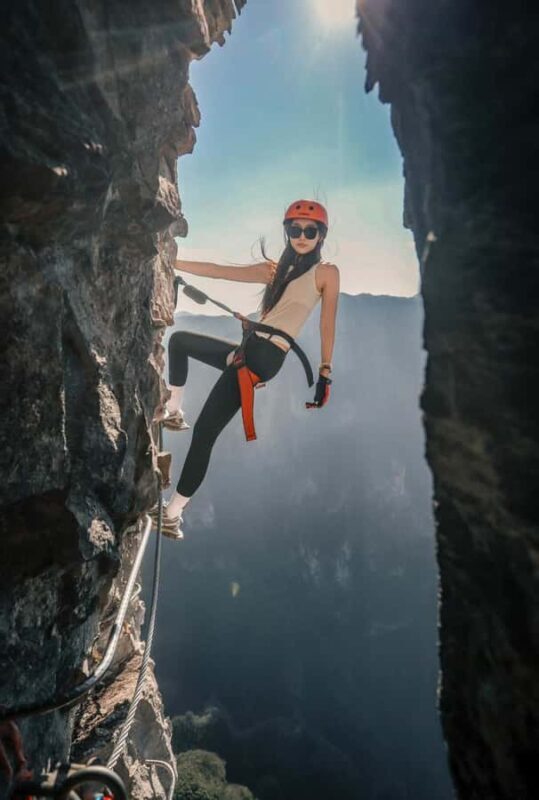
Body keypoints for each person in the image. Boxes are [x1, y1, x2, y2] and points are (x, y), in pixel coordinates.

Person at [152, 200, 340, 539]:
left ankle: (173, 513)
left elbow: (328, 323)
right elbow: (220, 270)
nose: (301, 236)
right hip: (249, 351)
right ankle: (174, 411)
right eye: (295, 229)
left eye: (309, 231)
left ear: (320, 236)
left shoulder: (326, 273)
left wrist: (325, 372)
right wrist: (170, 261)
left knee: (206, 433)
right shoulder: (274, 270)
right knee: (180, 341)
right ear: (287, 231)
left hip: (264, 358)